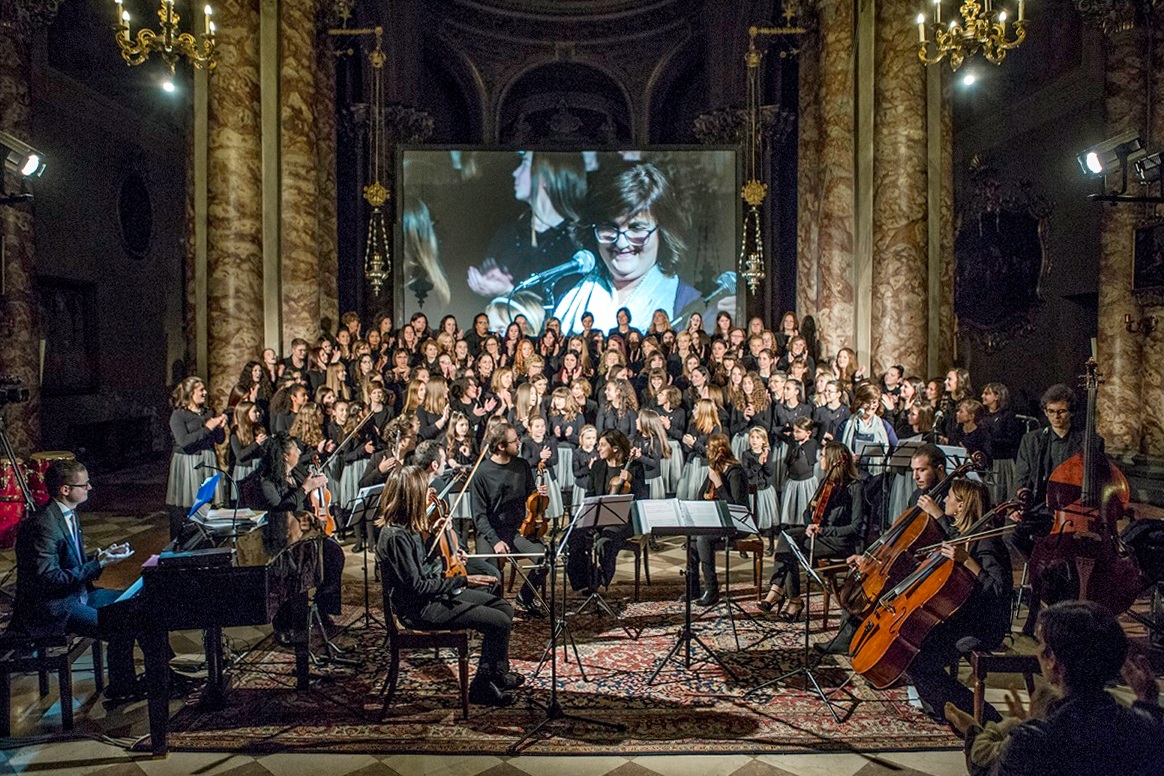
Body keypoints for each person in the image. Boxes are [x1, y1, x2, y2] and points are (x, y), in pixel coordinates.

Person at [11, 459, 161, 701]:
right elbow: (48, 579)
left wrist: (101, 556)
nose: (90, 488)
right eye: (84, 484)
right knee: (123, 623)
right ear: (65, 490)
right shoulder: (43, 525)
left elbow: (68, 564)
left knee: (143, 605)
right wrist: (97, 564)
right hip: (55, 607)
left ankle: (162, 676)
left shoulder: (68, 515)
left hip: (77, 594)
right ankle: (122, 689)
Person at [376, 465, 522, 708]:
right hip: (420, 610)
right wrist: (464, 580)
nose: (429, 494)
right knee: (499, 621)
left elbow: (425, 568)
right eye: (423, 491)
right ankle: (482, 688)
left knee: (503, 607)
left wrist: (440, 544)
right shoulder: (395, 537)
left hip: (430, 599)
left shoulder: (410, 530)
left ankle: (496, 673)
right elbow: (418, 586)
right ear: (410, 496)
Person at [966, 600, 1163, 776]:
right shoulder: (1145, 728)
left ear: (1053, 660)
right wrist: (1148, 705)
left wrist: (973, 735)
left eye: (1042, 644)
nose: (1037, 650)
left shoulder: (1033, 741)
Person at [552, 160, 716, 335]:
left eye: (636, 228)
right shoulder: (569, 299)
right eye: (609, 227)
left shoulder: (690, 306)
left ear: (663, 232)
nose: (621, 243)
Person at [903, 478, 1013, 723]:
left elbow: (998, 591)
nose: (944, 500)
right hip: (965, 617)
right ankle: (943, 707)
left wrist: (968, 562)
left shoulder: (987, 541)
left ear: (962, 505)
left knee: (919, 659)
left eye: (950, 496)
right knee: (914, 649)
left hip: (984, 626)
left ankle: (984, 716)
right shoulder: (965, 533)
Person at [252, 433, 346, 637]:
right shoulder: (268, 481)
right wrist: (306, 488)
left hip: (304, 534)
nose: (300, 452)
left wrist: (319, 484)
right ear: (286, 456)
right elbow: (280, 506)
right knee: (294, 571)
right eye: (296, 449)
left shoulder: (297, 473)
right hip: (281, 538)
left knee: (334, 554)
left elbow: (309, 498)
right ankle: (285, 621)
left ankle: (322, 608)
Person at [761, 443, 865, 622]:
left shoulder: (855, 487)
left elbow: (855, 527)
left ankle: (786, 596)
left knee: (790, 548)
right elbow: (808, 512)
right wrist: (810, 525)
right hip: (819, 534)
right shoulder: (826, 482)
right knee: (786, 536)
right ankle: (786, 596)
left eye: (823, 456)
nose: (820, 459)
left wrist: (825, 529)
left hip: (840, 541)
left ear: (834, 460)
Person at [470, 423, 550, 615]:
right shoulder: (481, 473)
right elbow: (479, 516)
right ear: (501, 446)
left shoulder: (521, 465)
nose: (519, 443)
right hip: (490, 532)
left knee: (544, 558)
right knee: (491, 573)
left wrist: (537, 493)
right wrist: (495, 541)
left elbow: (530, 493)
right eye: (514, 441)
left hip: (517, 530)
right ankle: (495, 611)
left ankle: (525, 598)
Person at [566, 429, 645, 593]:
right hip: (598, 517)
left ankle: (601, 579)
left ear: (615, 448)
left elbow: (641, 498)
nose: (598, 448)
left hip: (623, 520)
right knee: (572, 538)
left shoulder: (635, 467)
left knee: (605, 542)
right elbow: (590, 494)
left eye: (603, 445)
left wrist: (631, 480)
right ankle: (587, 580)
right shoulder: (597, 465)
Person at [691, 432, 749, 607]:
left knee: (702, 539)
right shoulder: (715, 468)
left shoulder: (735, 472)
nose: (706, 452)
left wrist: (719, 484)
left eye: (710, 449)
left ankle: (712, 590)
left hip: (737, 524)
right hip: (716, 521)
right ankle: (693, 588)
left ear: (721, 451)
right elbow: (702, 496)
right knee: (691, 537)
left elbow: (736, 507)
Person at [166, 376, 227, 539]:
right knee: (189, 507)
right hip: (188, 462)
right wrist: (208, 427)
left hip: (207, 459)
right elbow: (184, 441)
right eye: (201, 390)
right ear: (190, 393)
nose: (205, 393)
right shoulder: (179, 415)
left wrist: (220, 428)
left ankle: (207, 542)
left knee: (208, 505)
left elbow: (219, 440)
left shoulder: (208, 412)